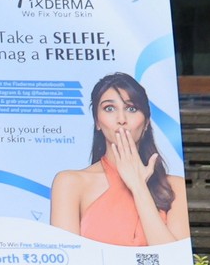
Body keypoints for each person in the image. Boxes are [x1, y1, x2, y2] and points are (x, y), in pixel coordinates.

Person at [49, 72, 189, 248]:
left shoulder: (175, 187)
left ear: (146, 122)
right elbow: (68, 259)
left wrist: (138, 186)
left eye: (131, 109)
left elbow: (174, 260)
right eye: (109, 108)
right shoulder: (70, 182)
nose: (121, 119)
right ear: (97, 121)